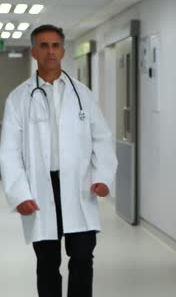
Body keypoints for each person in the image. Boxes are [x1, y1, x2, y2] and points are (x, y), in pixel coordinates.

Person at [0, 24, 117, 297]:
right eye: (44, 46)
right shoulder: (18, 99)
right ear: (34, 52)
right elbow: (8, 150)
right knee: (48, 262)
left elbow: (102, 137)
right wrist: (19, 193)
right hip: (41, 187)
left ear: (63, 51)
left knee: (82, 258)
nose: (50, 51)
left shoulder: (82, 94)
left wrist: (102, 176)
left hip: (78, 185)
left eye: (55, 46)